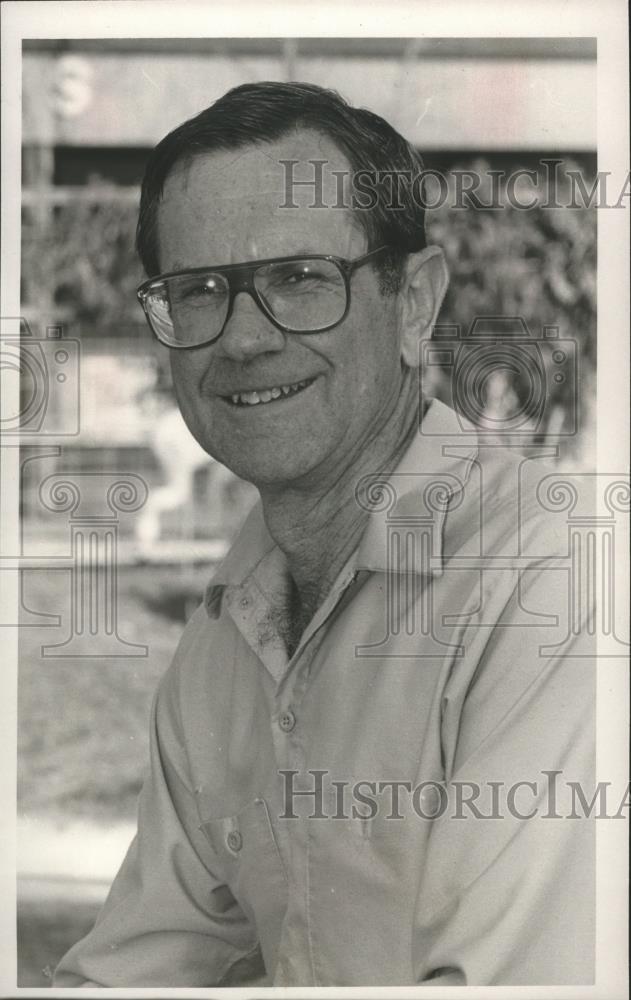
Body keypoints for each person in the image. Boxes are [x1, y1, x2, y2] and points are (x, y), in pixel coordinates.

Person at [54, 82, 595, 987]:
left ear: (414, 305)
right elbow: (146, 961)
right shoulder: (238, 615)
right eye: (198, 291)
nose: (243, 339)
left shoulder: (549, 585)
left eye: (300, 279)